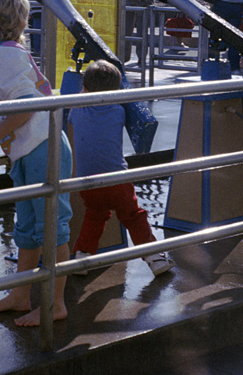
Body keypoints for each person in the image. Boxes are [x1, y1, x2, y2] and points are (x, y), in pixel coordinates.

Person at [0, 0, 73, 326]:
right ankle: (22, 295)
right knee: (27, 226)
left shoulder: (5, 55)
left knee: (52, 227)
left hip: (41, 147)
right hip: (28, 149)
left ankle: (55, 304)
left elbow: (25, 104)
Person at [68, 60, 175, 276]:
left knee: (94, 217)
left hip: (88, 183)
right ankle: (154, 257)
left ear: (85, 88)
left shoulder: (75, 110)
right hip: (117, 180)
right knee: (134, 216)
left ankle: (81, 257)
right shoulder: (118, 111)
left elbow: (75, 112)